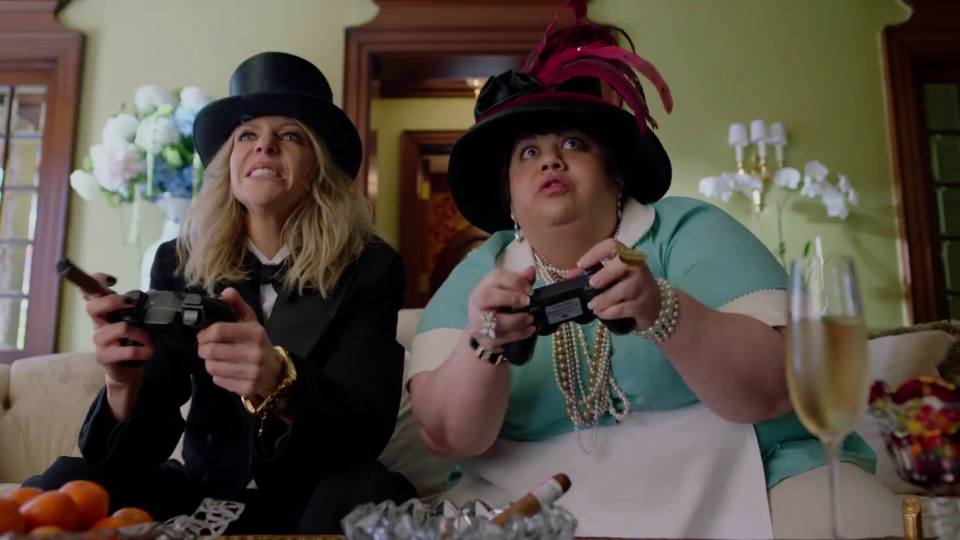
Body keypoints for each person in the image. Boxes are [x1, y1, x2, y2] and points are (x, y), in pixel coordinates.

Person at [406, 2, 903, 539]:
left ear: (616, 178)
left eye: (573, 144)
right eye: (528, 152)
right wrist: (483, 344)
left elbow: (778, 388)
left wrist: (665, 310)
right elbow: (447, 438)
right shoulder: (479, 276)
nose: (550, 161)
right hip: (528, 494)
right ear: (508, 198)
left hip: (751, 471)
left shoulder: (689, 229)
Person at [26, 52, 417, 535]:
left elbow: (363, 432)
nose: (265, 145)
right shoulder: (178, 262)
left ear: (318, 166)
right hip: (203, 494)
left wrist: (281, 382)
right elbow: (137, 450)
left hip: (312, 494)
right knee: (66, 483)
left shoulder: (371, 268)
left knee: (372, 493)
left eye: (290, 136)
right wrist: (122, 381)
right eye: (247, 136)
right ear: (228, 164)